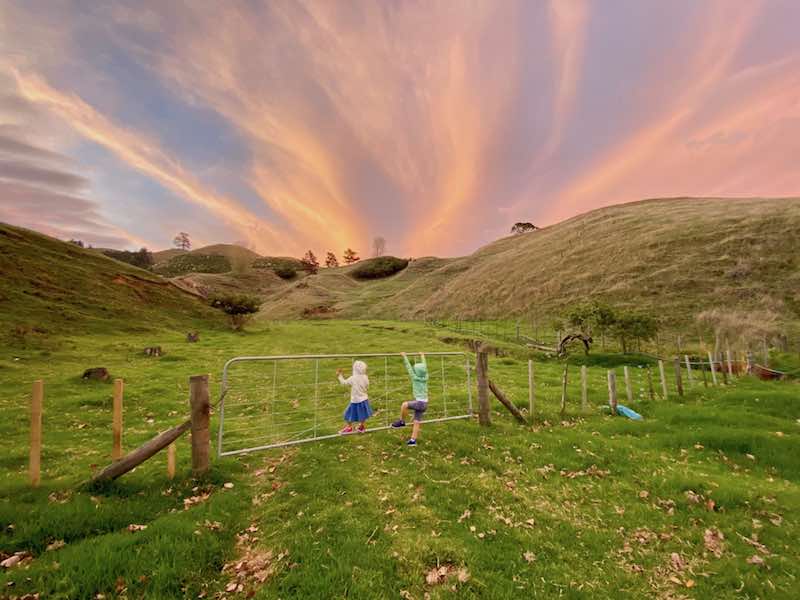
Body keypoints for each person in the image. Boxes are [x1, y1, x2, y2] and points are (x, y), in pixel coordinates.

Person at [391, 352, 428, 445]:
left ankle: (402, 421)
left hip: (419, 403)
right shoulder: (426, 376)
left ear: (416, 372)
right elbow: (425, 367)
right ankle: (413, 440)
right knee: (416, 422)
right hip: (425, 404)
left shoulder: (415, 378)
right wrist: (422, 355)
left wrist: (404, 356)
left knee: (404, 405)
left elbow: (409, 367)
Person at [337, 360, 373, 434]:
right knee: (362, 414)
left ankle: (349, 427)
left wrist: (339, 376)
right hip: (364, 399)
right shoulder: (365, 377)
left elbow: (344, 383)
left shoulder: (353, 378)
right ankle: (361, 426)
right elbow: (367, 385)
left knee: (347, 414)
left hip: (355, 401)